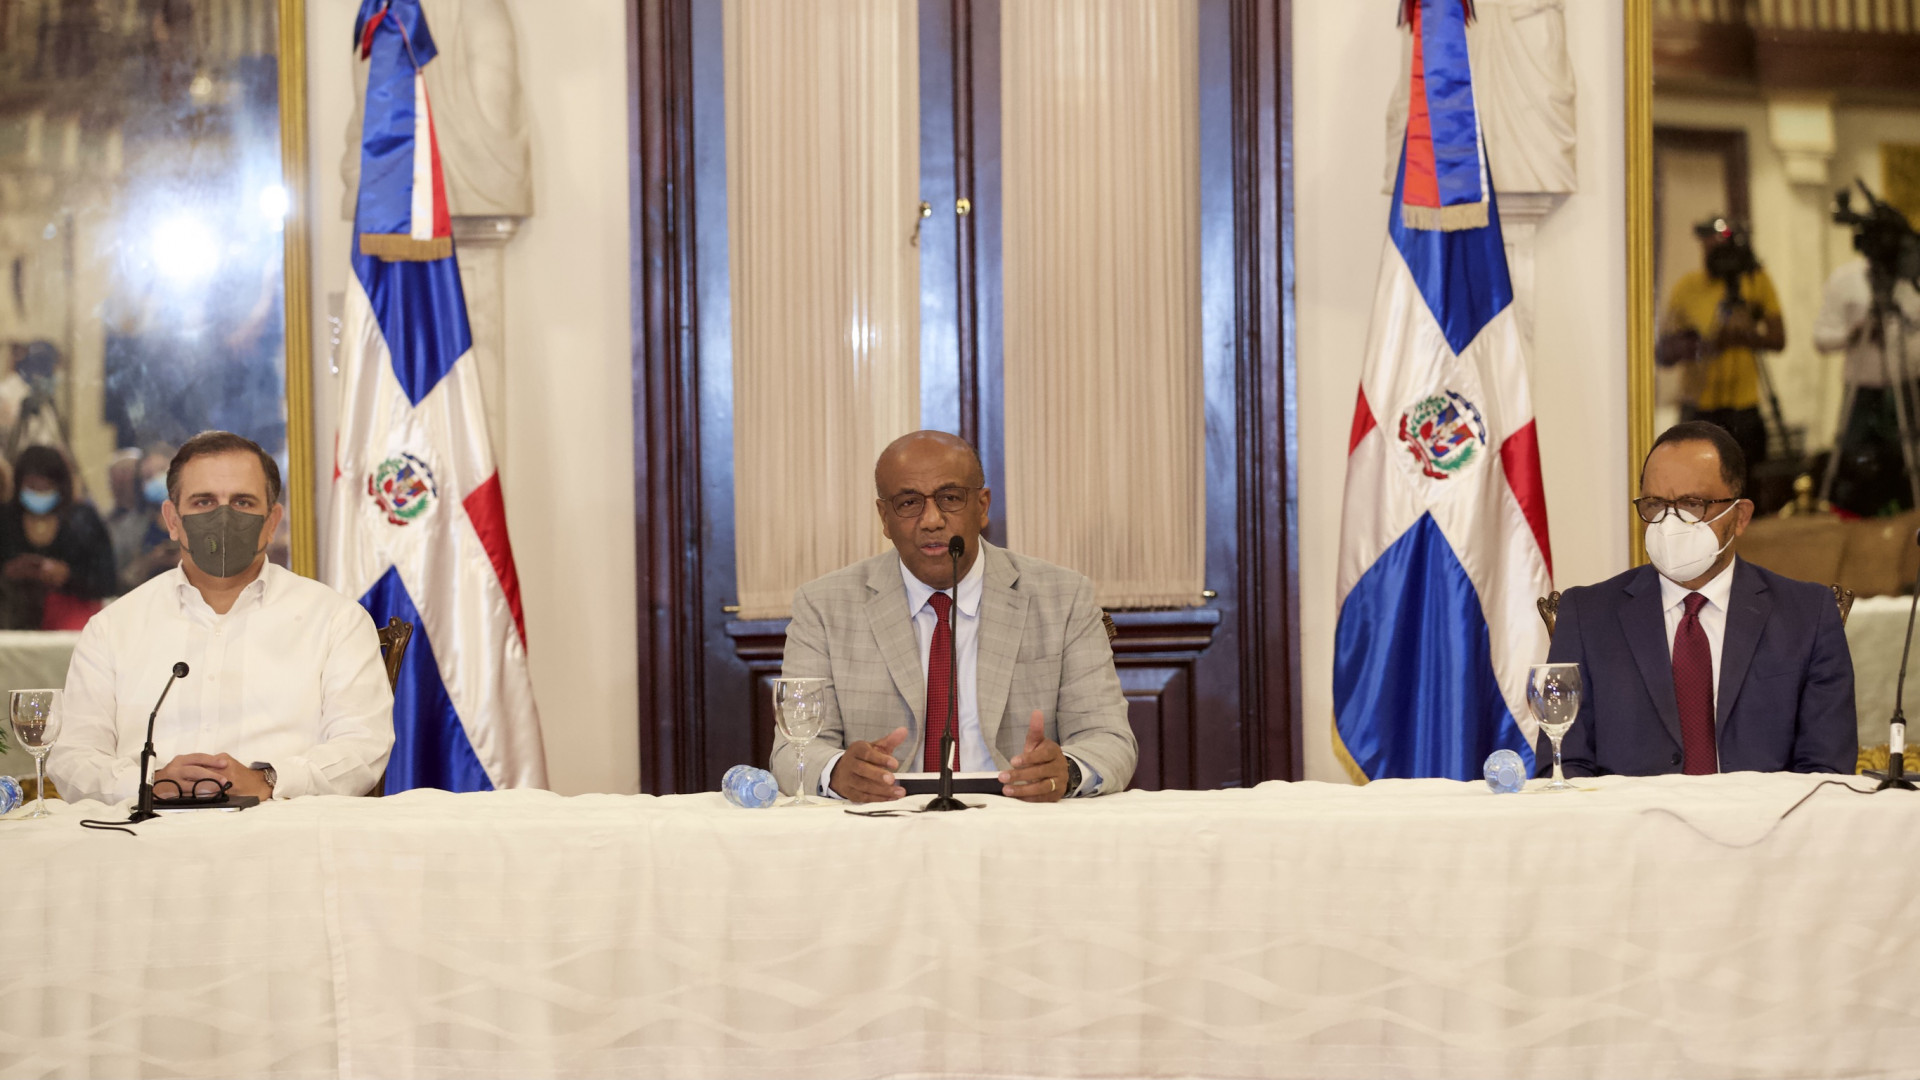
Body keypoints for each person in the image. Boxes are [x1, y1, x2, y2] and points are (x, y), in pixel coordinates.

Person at [771, 430, 1137, 802]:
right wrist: (837, 772)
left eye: (950, 498)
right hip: (884, 818)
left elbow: (1109, 739)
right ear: (884, 517)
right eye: (909, 502)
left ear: (982, 506)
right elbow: (791, 749)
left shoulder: (1063, 597)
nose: (931, 520)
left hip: (1017, 815)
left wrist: (1068, 771)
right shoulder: (824, 606)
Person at [49, 431, 394, 804]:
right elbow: (73, 758)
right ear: (172, 520)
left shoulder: (336, 620)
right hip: (146, 830)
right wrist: (149, 783)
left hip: (285, 829)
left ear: (272, 521)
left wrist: (269, 780)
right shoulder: (112, 628)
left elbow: (363, 746)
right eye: (204, 501)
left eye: (243, 502)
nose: (223, 518)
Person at [1541, 421, 1855, 776]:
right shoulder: (1587, 616)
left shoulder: (1807, 615)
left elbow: (1826, 770)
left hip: (1768, 811)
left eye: (1692, 504)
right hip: (1628, 812)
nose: (1669, 522)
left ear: (1740, 516)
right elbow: (1562, 765)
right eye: (1655, 504)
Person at [1656, 218, 1787, 475]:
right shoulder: (1687, 287)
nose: (1717, 251)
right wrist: (1703, 345)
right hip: (1700, 404)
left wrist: (1744, 338)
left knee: (1746, 480)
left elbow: (1779, 339)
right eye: (1710, 244)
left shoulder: (1755, 281)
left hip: (1744, 406)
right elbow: (1663, 353)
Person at [1811, 256, 1920, 516]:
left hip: (1906, 386)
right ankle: (1849, 518)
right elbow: (1821, 338)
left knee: (1909, 460)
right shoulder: (1846, 279)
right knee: (1852, 461)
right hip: (1861, 391)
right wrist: (1852, 335)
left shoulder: (1912, 281)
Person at [0, 445, 117, 630]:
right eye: (32, 487)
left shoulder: (83, 520)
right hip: (10, 617)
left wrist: (68, 576)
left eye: (46, 487)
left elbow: (108, 580)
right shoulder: (5, 520)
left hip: (71, 620)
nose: (38, 494)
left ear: (61, 486)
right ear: (19, 484)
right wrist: (8, 573)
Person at [105, 444, 179, 589]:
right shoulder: (137, 523)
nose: (156, 480)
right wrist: (151, 562)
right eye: (147, 477)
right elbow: (123, 578)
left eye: (161, 471)